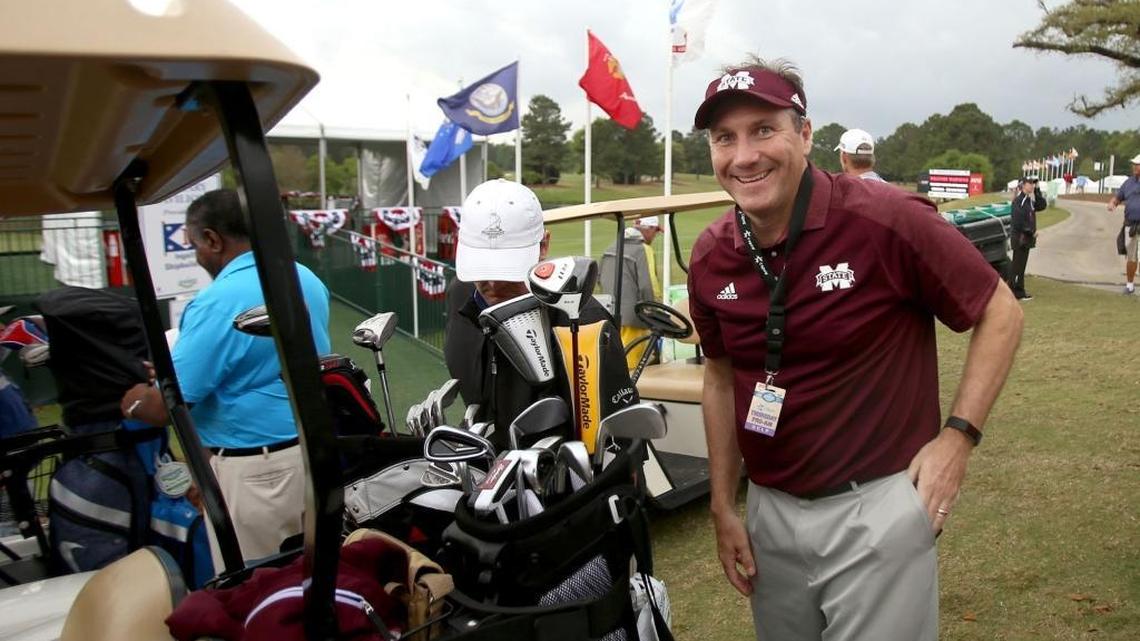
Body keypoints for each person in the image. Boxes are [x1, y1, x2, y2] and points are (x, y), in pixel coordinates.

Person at [686, 56, 1024, 641]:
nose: (744, 156)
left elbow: (999, 308)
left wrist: (957, 438)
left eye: (764, 130)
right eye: (725, 138)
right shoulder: (712, 253)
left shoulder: (884, 219)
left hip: (877, 507)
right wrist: (723, 504)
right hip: (770, 511)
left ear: (806, 134)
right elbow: (719, 376)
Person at [120, 189, 331, 568]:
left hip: (259, 472)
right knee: (315, 577)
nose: (197, 254)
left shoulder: (219, 299)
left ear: (213, 239)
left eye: (196, 243)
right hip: (314, 452)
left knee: (255, 594)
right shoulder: (304, 276)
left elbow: (165, 404)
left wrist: (134, 398)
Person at [444, 179, 612, 449]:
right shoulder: (460, 294)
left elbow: (611, 438)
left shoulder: (585, 319)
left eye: (508, 269)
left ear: (543, 246)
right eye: (483, 268)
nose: (494, 284)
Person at [599, 216, 663, 368]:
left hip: (611, 315)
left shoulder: (611, 247)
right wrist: (655, 311)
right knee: (633, 367)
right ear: (649, 229)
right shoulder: (644, 250)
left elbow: (600, 277)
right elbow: (648, 285)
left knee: (617, 362)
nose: (654, 236)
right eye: (655, 231)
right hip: (635, 319)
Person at [1008, 177, 1047, 300]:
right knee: (1017, 267)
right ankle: (1016, 292)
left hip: (1026, 240)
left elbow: (1042, 205)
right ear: (1023, 185)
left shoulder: (1029, 201)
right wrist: (1031, 232)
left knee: (1021, 267)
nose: (1032, 186)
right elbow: (1018, 222)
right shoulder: (1018, 201)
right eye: (1030, 184)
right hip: (1020, 239)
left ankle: (1018, 290)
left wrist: (1038, 190)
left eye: (1032, 184)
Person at [1108, 154, 1140, 295]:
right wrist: (1113, 203)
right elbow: (1119, 196)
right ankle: (1130, 285)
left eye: (1137, 165)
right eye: (1134, 164)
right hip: (1131, 225)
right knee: (1131, 257)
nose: (1134, 167)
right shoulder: (1128, 182)